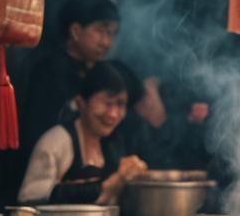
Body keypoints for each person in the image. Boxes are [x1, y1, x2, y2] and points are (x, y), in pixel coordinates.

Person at [18, 61, 147, 204]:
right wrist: (114, 180)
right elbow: (30, 198)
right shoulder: (57, 142)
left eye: (120, 104)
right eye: (107, 103)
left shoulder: (113, 145)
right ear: (81, 103)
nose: (113, 114)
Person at [19, 0, 120, 160]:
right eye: (100, 31)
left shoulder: (98, 72)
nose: (106, 42)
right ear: (76, 31)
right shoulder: (49, 72)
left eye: (112, 34)